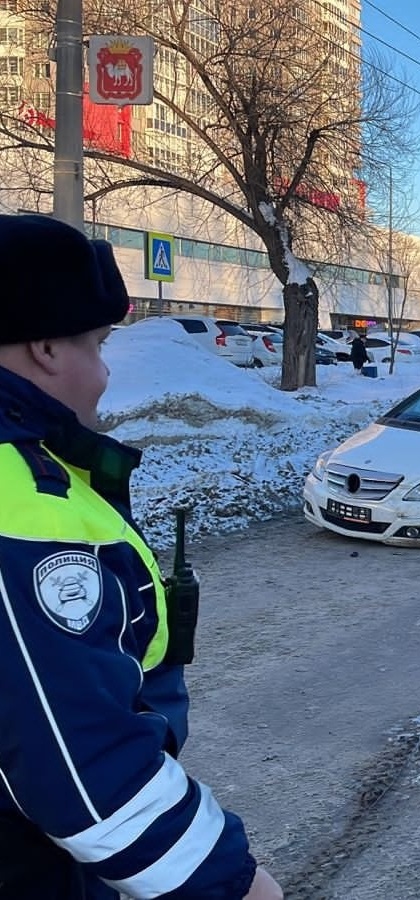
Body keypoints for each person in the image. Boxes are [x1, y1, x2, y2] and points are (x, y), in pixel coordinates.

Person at [0, 214, 282, 899]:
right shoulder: (16, 499)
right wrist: (233, 885)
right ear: (44, 348)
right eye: (97, 346)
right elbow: (74, 757)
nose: (101, 376)